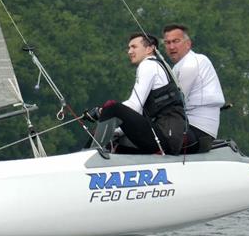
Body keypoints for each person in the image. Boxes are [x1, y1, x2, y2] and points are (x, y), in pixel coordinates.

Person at [84, 33, 185, 155]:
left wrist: (102, 111)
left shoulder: (148, 65)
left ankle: (89, 154)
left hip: (165, 139)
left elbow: (134, 106)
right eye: (129, 48)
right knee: (117, 140)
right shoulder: (157, 65)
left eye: (134, 47)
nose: (129, 51)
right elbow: (139, 113)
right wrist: (116, 130)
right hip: (168, 139)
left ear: (149, 49)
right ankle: (91, 154)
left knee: (112, 107)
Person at [162, 24, 225, 153]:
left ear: (188, 44)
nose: (171, 47)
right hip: (196, 131)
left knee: (147, 137)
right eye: (167, 43)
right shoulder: (178, 67)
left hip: (198, 133)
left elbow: (175, 102)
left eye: (176, 41)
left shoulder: (191, 63)